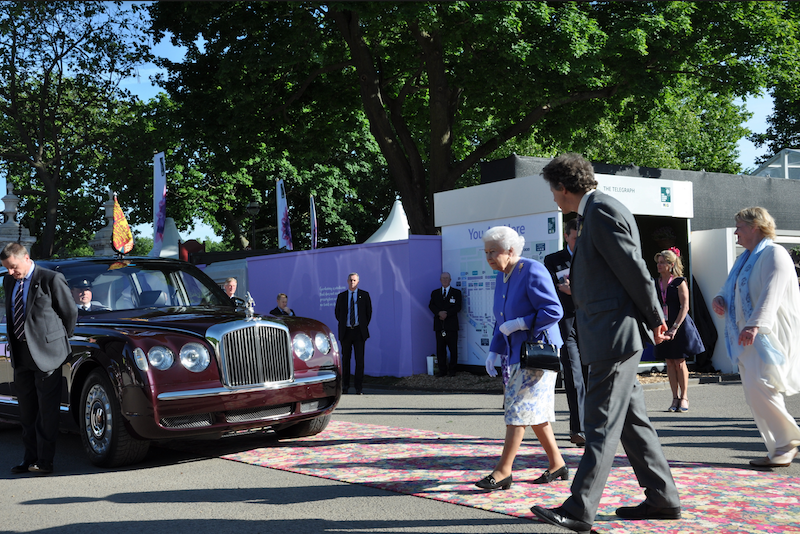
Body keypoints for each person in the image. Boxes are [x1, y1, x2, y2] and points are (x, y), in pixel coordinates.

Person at [532, 153, 680, 533]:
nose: (553, 198)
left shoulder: (601, 211)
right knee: (633, 423)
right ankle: (662, 498)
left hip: (613, 334)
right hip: (609, 331)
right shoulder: (596, 211)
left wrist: (657, 319)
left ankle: (580, 509)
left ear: (564, 188)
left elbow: (634, 269)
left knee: (599, 424)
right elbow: (612, 272)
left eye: (553, 191)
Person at [475, 226, 567, 491]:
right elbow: (500, 321)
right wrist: (494, 350)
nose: (489, 257)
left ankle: (503, 471)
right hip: (515, 354)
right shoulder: (501, 276)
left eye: (494, 251)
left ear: (511, 250)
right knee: (532, 411)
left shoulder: (531, 269)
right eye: (486, 252)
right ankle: (557, 462)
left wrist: (521, 323)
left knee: (517, 408)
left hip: (537, 353)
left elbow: (553, 310)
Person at [712, 207, 800, 468]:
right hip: (747, 336)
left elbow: (771, 293)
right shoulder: (744, 259)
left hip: (766, 335)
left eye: (739, 226)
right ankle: (778, 447)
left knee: (763, 385)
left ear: (755, 226)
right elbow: (731, 288)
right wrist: (720, 298)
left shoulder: (774, 253)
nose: (736, 232)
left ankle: (787, 441)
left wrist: (756, 325)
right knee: (754, 391)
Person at [1, 243, 78, 475]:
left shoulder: (51, 278)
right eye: (6, 269)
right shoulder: (9, 281)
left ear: (26, 258)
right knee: (27, 411)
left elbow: (70, 313)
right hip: (21, 354)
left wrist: (57, 342)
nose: (11, 273)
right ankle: (29, 458)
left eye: (13, 267)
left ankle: (45, 461)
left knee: (47, 411)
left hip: (47, 355)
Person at [544, 218, 586, 446]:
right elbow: (550, 288)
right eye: (575, 238)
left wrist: (576, 289)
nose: (579, 242)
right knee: (574, 376)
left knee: (590, 376)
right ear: (567, 237)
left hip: (590, 324)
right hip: (566, 326)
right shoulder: (553, 260)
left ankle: (594, 426)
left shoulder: (592, 257)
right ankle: (578, 429)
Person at [653, 248, 704, 413]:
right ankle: (674, 397)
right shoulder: (655, 282)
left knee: (679, 362)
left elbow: (685, 306)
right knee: (669, 362)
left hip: (679, 326)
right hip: (663, 325)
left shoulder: (679, 282)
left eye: (662, 262)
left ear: (671, 264)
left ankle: (684, 397)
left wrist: (675, 327)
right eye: (658, 262)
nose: (659, 265)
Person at [335, 273, 372, 395]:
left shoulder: (364, 295)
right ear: (347, 281)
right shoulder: (341, 296)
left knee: (359, 360)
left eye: (354, 280)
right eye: (350, 280)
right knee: (345, 360)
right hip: (346, 332)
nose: (352, 282)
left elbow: (368, 313)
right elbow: (337, 313)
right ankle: (345, 386)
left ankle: (358, 387)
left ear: (358, 282)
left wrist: (361, 325)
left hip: (359, 332)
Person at [428, 272, 462, 377]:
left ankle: (452, 370)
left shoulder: (456, 293)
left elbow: (458, 307)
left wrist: (446, 313)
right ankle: (442, 371)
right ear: (440, 280)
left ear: (450, 280)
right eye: (443, 278)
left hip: (451, 326)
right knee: (440, 349)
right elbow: (431, 305)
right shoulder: (435, 293)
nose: (445, 280)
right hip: (439, 326)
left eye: (447, 278)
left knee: (453, 349)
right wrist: (439, 313)